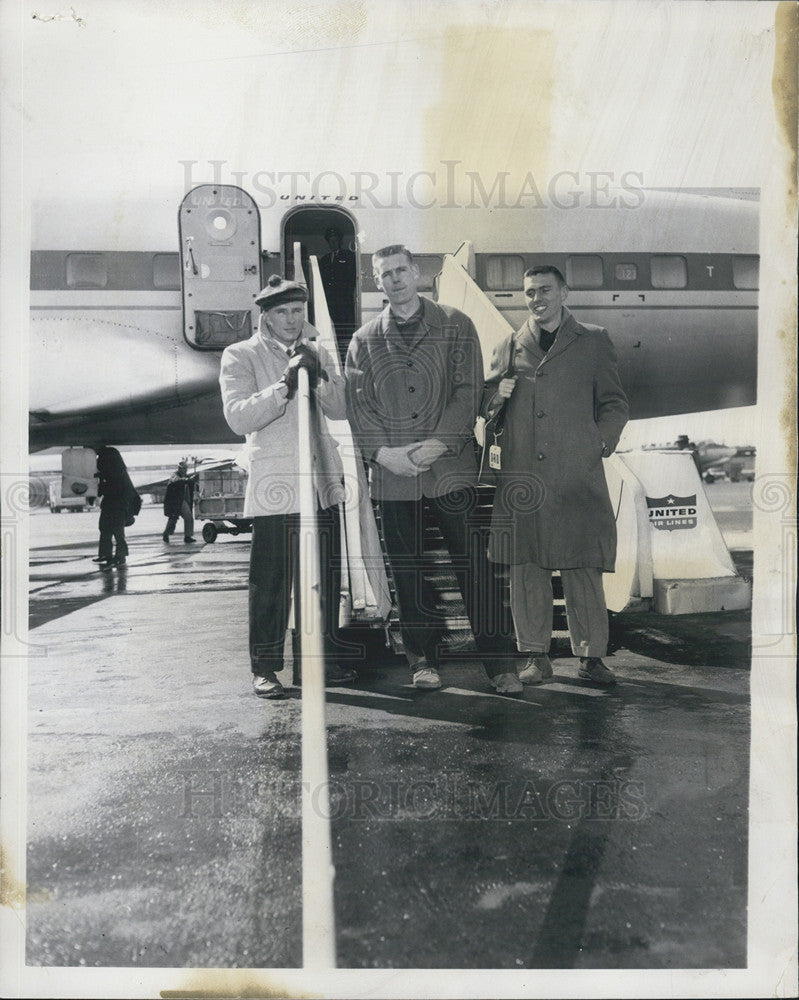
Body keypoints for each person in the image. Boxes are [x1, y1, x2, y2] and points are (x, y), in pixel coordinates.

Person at [345, 245, 515, 693]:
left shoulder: (456, 325)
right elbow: (359, 407)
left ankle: (500, 665)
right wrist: (384, 455)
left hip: (450, 469)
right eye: (385, 274)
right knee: (408, 571)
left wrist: (439, 443)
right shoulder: (363, 340)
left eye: (401, 270)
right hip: (393, 477)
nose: (395, 279)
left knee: (473, 567)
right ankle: (422, 661)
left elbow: (467, 389)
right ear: (377, 282)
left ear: (416, 273)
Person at [482, 265, 629, 686]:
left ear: (565, 291)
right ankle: (534, 657)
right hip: (523, 478)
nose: (535, 298)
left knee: (582, 566)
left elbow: (615, 403)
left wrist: (600, 443)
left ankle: (591, 658)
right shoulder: (508, 345)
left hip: (575, 476)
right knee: (527, 568)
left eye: (544, 289)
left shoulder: (594, 341)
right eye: (528, 292)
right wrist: (496, 397)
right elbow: (486, 405)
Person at [219, 274, 357, 699]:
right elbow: (238, 417)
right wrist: (284, 385)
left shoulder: (318, 352)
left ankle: (318, 665)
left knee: (323, 580)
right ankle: (264, 668)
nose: (292, 319)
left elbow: (339, 408)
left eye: (298, 311)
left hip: (318, 482)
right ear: (266, 315)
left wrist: (320, 377)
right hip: (275, 485)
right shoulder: (239, 355)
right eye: (282, 312)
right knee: (271, 583)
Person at [95, 446, 141, 569]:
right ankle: (109, 555)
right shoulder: (117, 473)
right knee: (108, 529)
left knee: (114, 530)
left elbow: (109, 489)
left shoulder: (115, 475)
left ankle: (119, 556)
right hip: (115, 505)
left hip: (118, 505)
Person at [318, 225, 357, 358]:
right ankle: (335, 354)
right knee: (331, 326)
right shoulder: (324, 260)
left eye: (335, 240)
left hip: (345, 300)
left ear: (339, 241)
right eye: (330, 240)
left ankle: (348, 354)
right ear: (328, 242)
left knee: (346, 326)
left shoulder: (348, 256)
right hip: (330, 300)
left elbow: (352, 277)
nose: (333, 243)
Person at [162, 460, 197, 543]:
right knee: (173, 519)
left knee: (188, 517)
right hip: (175, 502)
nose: (185, 470)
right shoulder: (174, 476)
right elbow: (178, 481)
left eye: (186, 468)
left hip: (183, 501)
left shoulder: (185, 477)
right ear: (179, 468)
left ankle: (188, 536)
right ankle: (166, 533)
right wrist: (188, 480)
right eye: (183, 468)